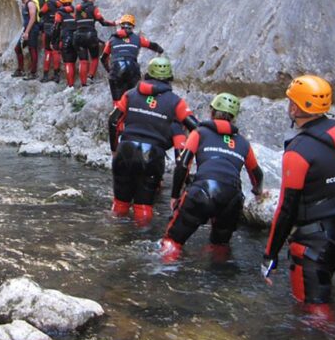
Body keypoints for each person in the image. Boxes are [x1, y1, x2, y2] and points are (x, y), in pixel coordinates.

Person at [262, 75, 335, 316]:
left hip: (314, 243)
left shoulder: (299, 151)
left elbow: (286, 208)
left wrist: (269, 255)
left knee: (313, 314)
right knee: (322, 298)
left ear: (295, 107)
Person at [159, 93, 264, 261]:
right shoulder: (243, 142)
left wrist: (174, 195)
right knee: (220, 245)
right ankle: (219, 279)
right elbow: (257, 173)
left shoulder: (200, 133)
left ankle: (164, 271)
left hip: (203, 190)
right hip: (232, 197)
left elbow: (183, 165)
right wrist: (258, 191)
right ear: (234, 117)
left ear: (212, 112)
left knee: (173, 240)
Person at [108, 57, 198, 226]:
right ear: (169, 77)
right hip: (153, 155)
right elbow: (195, 127)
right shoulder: (175, 102)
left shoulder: (130, 94)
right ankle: (141, 237)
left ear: (147, 74)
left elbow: (113, 121)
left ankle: (116, 234)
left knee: (120, 203)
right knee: (143, 205)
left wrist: (114, 149)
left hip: (125, 149)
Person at [101, 14, 164, 106]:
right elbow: (152, 45)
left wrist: (110, 71)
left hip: (117, 68)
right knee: (134, 97)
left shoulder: (111, 40)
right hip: (132, 68)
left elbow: (103, 58)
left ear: (121, 26)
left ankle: (118, 113)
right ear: (133, 26)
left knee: (118, 100)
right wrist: (160, 50)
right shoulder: (138, 39)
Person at [73, 0, 116, 87]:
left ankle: (83, 83)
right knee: (94, 58)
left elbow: (75, 20)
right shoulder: (94, 8)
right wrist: (114, 23)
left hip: (78, 36)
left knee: (83, 60)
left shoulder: (77, 8)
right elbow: (103, 22)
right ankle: (90, 77)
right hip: (90, 35)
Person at [12, 0, 40, 80]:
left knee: (32, 49)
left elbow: (33, 18)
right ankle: (21, 70)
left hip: (32, 30)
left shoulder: (30, 3)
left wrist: (27, 32)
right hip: (27, 30)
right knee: (17, 49)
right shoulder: (24, 4)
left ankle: (33, 73)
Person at [51, 0, 77, 86]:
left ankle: (70, 85)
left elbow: (56, 27)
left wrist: (53, 41)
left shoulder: (59, 13)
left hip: (66, 38)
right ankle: (78, 83)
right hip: (77, 38)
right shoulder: (76, 12)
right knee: (74, 61)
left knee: (68, 62)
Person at [39, 0, 63, 82]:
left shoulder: (48, 3)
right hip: (57, 29)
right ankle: (56, 75)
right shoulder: (62, 5)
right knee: (56, 51)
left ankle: (45, 75)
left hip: (47, 28)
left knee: (48, 51)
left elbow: (41, 12)